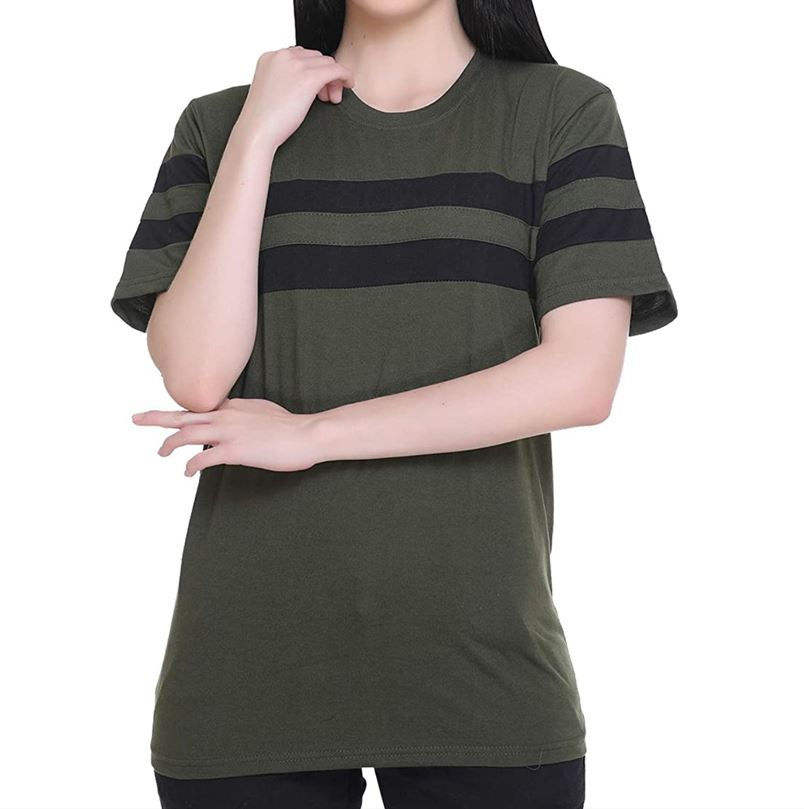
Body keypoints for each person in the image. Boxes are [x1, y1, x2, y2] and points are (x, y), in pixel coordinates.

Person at [111, 1, 676, 806]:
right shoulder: (221, 125)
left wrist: (315, 434)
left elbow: (581, 378)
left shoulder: (560, 112)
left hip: (487, 680)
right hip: (245, 681)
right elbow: (198, 375)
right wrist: (256, 137)